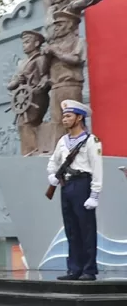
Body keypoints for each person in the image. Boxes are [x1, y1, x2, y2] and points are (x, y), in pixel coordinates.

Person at [47, 99, 103, 281]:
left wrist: (94, 194)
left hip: (82, 184)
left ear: (79, 118)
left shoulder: (91, 141)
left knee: (86, 229)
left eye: (68, 116)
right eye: (63, 116)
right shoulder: (63, 141)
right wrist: (52, 176)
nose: (64, 119)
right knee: (71, 229)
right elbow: (53, 161)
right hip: (67, 185)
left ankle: (89, 269)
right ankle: (74, 269)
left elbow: (97, 168)